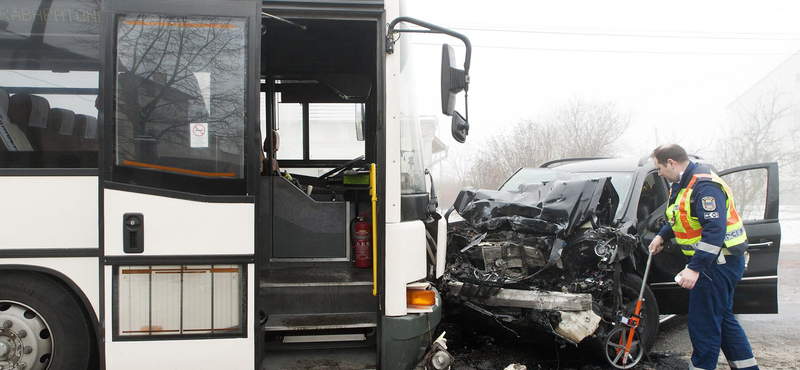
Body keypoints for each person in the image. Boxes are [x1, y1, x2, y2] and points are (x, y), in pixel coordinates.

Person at [648, 144, 758, 370]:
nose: (659, 173)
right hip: (717, 263)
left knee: (704, 325)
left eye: (659, 168)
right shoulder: (682, 184)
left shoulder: (704, 186)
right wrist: (661, 236)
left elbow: (714, 231)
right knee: (724, 321)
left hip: (715, 265)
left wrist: (694, 268)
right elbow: (680, 217)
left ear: (671, 162)